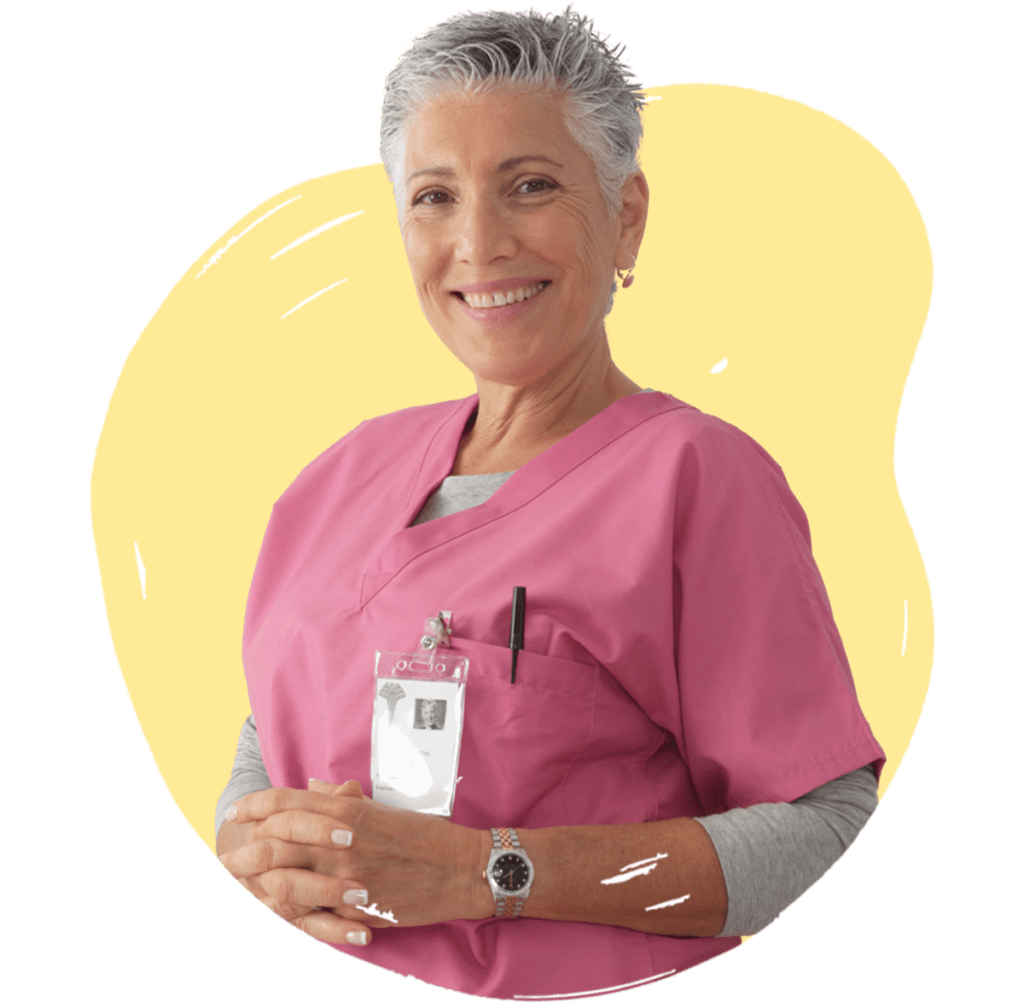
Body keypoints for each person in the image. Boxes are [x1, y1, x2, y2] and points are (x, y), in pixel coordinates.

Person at [216, 6, 883, 1001]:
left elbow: (825, 832)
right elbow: (278, 727)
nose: (477, 243)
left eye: (530, 186)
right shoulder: (339, 475)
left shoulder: (694, 481)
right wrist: (250, 848)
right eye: (434, 197)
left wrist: (488, 873)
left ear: (625, 216)